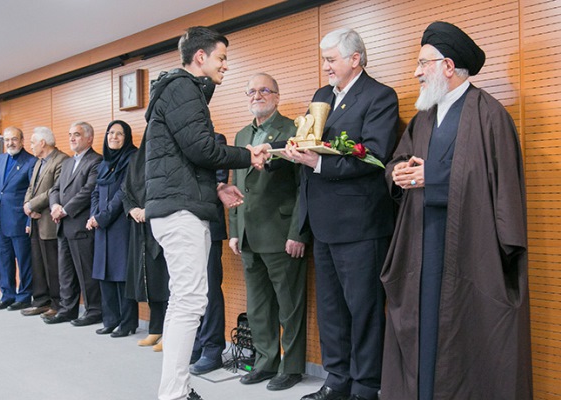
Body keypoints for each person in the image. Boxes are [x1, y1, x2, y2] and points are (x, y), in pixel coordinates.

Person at [381, 21, 533, 400]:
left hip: (470, 246)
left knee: (463, 331)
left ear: (447, 66)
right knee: (424, 328)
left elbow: (498, 183)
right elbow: (400, 158)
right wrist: (397, 171)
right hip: (422, 241)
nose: (416, 72)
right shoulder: (424, 117)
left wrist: (432, 176)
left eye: (423, 63)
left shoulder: (489, 114)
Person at [143, 26, 267, 400]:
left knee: (185, 301)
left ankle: (176, 388)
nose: (225, 65)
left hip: (177, 205)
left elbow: (182, 159)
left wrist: (216, 188)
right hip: (179, 212)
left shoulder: (179, 90)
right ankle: (174, 394)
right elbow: (201, 149)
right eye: (221, 58)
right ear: (201, 57)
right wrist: (248, 155)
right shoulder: (183, 88)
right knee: (189, 302)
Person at [281, 28, 399, 400]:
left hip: (361, 224)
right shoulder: (322, 96)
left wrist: (318, 164)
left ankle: (365, 386)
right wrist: (294, 150)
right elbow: (310, 141)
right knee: (331, 310)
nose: (325, 66)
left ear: (355, 59)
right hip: (323, 222)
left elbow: (375, 156)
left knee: (364, 309)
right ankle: (336, 380)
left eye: (331, 59)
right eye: (325, 60)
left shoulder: (380, 97)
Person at [228, 73, 309, 391]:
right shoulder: (240, 134)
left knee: (289, 307)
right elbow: (236, 183)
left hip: (282, 233)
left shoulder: (293, 130)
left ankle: (292, 367)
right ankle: (265, 362)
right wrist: (235, 229)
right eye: (251, 91)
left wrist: (298, 232)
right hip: (248, 235)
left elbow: (304, 186)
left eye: (264, 90)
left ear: (277, 95)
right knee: (258, 307)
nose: (256, 96)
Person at [45, 121, 103, 327]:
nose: (72, 138)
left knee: (86, 273)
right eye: (70, 134)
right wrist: (54, 206)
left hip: (80, 225)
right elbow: (54, 189)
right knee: (66, 273)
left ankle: (94, 311)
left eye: (77, 134)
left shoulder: (96, 161)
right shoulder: (68, 162)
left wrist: (64, 210)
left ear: (89, 138)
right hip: (63, 225)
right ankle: (67, 310)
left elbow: (88, 191)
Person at [86, 120, 138, 337]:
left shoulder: (132, 158)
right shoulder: (104, 162)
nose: (113, 137)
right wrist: (94, 216)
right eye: (110, 133)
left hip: (121, 225)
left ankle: (127, 323)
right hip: (102, 225)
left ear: (127, 138)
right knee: (104, 273)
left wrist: (102, 218)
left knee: (121, 274)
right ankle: (110, 320)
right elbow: (95, 191)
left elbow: (123, 193)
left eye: (119, 134)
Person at [121, 141, 169, 352]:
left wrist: (149, 210)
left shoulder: (167, 154)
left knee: (165, 280)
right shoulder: (136, 159)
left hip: (163, 221)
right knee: (150, 278)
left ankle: (169, 332)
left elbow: (169, 187)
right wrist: (132, 209)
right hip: (140, 226)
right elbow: (125, 189)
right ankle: (155, 329)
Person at [190, 132, 229, 375]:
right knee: (188, 290)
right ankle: (195, 344)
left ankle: (212, 349)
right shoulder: (178, 144)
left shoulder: (217, 141)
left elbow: (218, 183)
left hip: (207, 226)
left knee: (210, 290)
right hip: (182, 228)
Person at [0, 126, 37, 311]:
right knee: (4, 260)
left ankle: (24, 297)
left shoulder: (30, 161)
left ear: (22, 140)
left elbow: (33, 193)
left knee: (24, 261)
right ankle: (7, 295)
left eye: (14, 139)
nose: (10, 143)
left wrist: (29, 221)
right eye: (7, 140)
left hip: (19, 220)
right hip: (0, 220)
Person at [22, 126, 69, 317]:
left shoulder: (62, 160)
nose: (31, 146)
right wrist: (28, 206)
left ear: (42, 143)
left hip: (50, 221)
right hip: (35, 221)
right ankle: (41, 301)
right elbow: (31, 188)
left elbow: (56, 189)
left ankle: (57, 304)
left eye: (33, 142)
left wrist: (33, 205)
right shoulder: (38, 162)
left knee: (53, 266)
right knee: (38, 264)